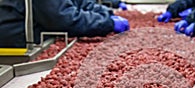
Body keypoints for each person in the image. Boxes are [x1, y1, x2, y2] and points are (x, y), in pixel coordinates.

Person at [0, 0, 130, 48]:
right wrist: (107, 23)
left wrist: (106, 13)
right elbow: (62, 18)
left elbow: (81, 3)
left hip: (37, 35)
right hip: (17, 41)